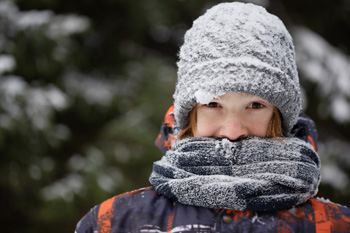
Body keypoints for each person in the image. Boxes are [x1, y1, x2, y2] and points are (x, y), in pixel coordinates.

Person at [75, 2, 350, 232]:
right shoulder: (113, 222)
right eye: (213, 104)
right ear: (189, 112)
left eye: (254, 105)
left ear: (281, 115)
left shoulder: (337, 226)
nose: (232, 131)